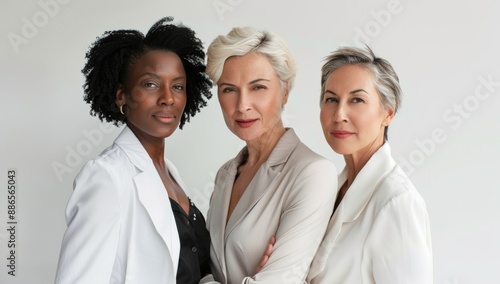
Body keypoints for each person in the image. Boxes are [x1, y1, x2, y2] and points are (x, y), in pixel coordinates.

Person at [54, 17, 213, 284]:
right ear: (121, 96)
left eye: (178, 86)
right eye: (150, 84)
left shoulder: (171, 174)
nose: (168, 98)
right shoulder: (107, 177)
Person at [200, 27, 338, 284]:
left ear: (285, 91)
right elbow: (206, 270)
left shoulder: (312, 173)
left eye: (258, 87)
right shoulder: (225, 174)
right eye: (229, 89)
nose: (242, 105)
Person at [307, 46, 433, 283]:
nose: (339, 115)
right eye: (331, 99)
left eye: (357, 99)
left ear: (388, 114)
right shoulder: (330, 190)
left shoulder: (397, 202)